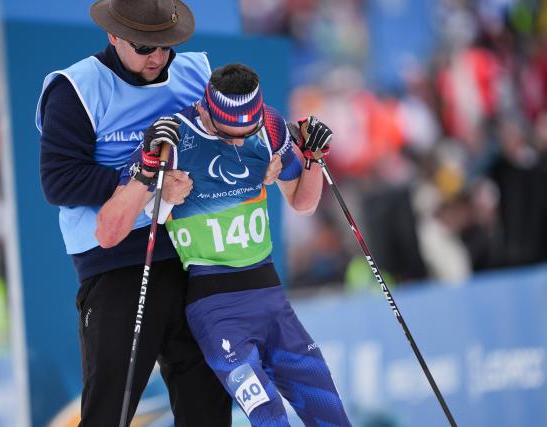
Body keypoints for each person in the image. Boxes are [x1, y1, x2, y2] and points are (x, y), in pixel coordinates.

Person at [97, 64, 352, 426]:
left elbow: (303, 202)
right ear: (205, 109)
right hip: (217, 311)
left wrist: (312, 158)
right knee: (270, 419)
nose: (237, 143)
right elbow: (109, 231)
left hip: (271, 299)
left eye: (246, 133)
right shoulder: (173, 138)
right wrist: (150, 174)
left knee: (331, 416)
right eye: (227, 134)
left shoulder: (271, 126)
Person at [35, 0, 244, 425]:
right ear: (113, 35)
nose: (157, 58)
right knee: (112, 403)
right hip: (117, 262)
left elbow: (232, 144)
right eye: (144, 47)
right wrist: (143, 181)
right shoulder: (76, 88)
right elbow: (59, 181)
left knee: (207, 397)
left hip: (194, 251)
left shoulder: (196, 73)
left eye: (166, 47)